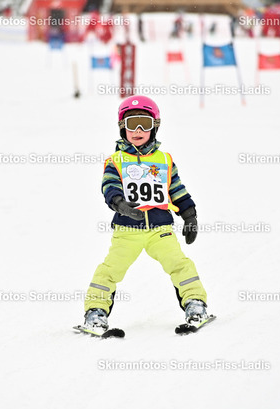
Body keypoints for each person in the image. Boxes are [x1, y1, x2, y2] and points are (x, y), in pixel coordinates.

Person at [80, 95, 210, 332]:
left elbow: (176, 189)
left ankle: (195, 304)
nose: (138, 130)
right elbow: (109, 186)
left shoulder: (164, 160)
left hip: (160, 229)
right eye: (132, 124)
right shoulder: (116, 160)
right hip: (127, 229)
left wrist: (189, 215)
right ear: (122, 128)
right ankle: (95, 312)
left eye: (144, 123)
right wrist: (119, 203)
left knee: (179, 264)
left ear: (155, 127)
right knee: (110, 269)